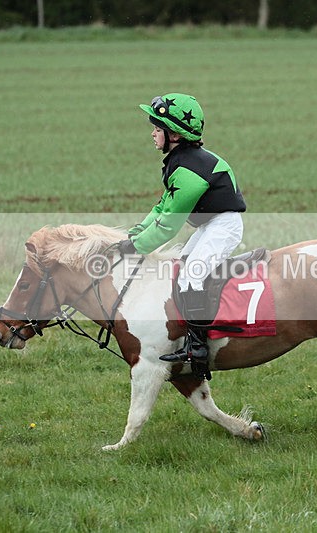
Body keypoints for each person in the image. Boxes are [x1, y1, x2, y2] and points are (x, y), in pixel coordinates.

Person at [117, 93, 246, 370]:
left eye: (156, 128)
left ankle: (198, 348)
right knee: (182, 269)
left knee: (191, 275)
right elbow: (162, 207)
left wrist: (137, 246)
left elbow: (168, 225)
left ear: (173, 134)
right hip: (211, 224)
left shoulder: (188, 170)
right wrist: (134, 234)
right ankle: (191, 337)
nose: (152, 133)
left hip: (223, 226)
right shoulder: (180, 161)